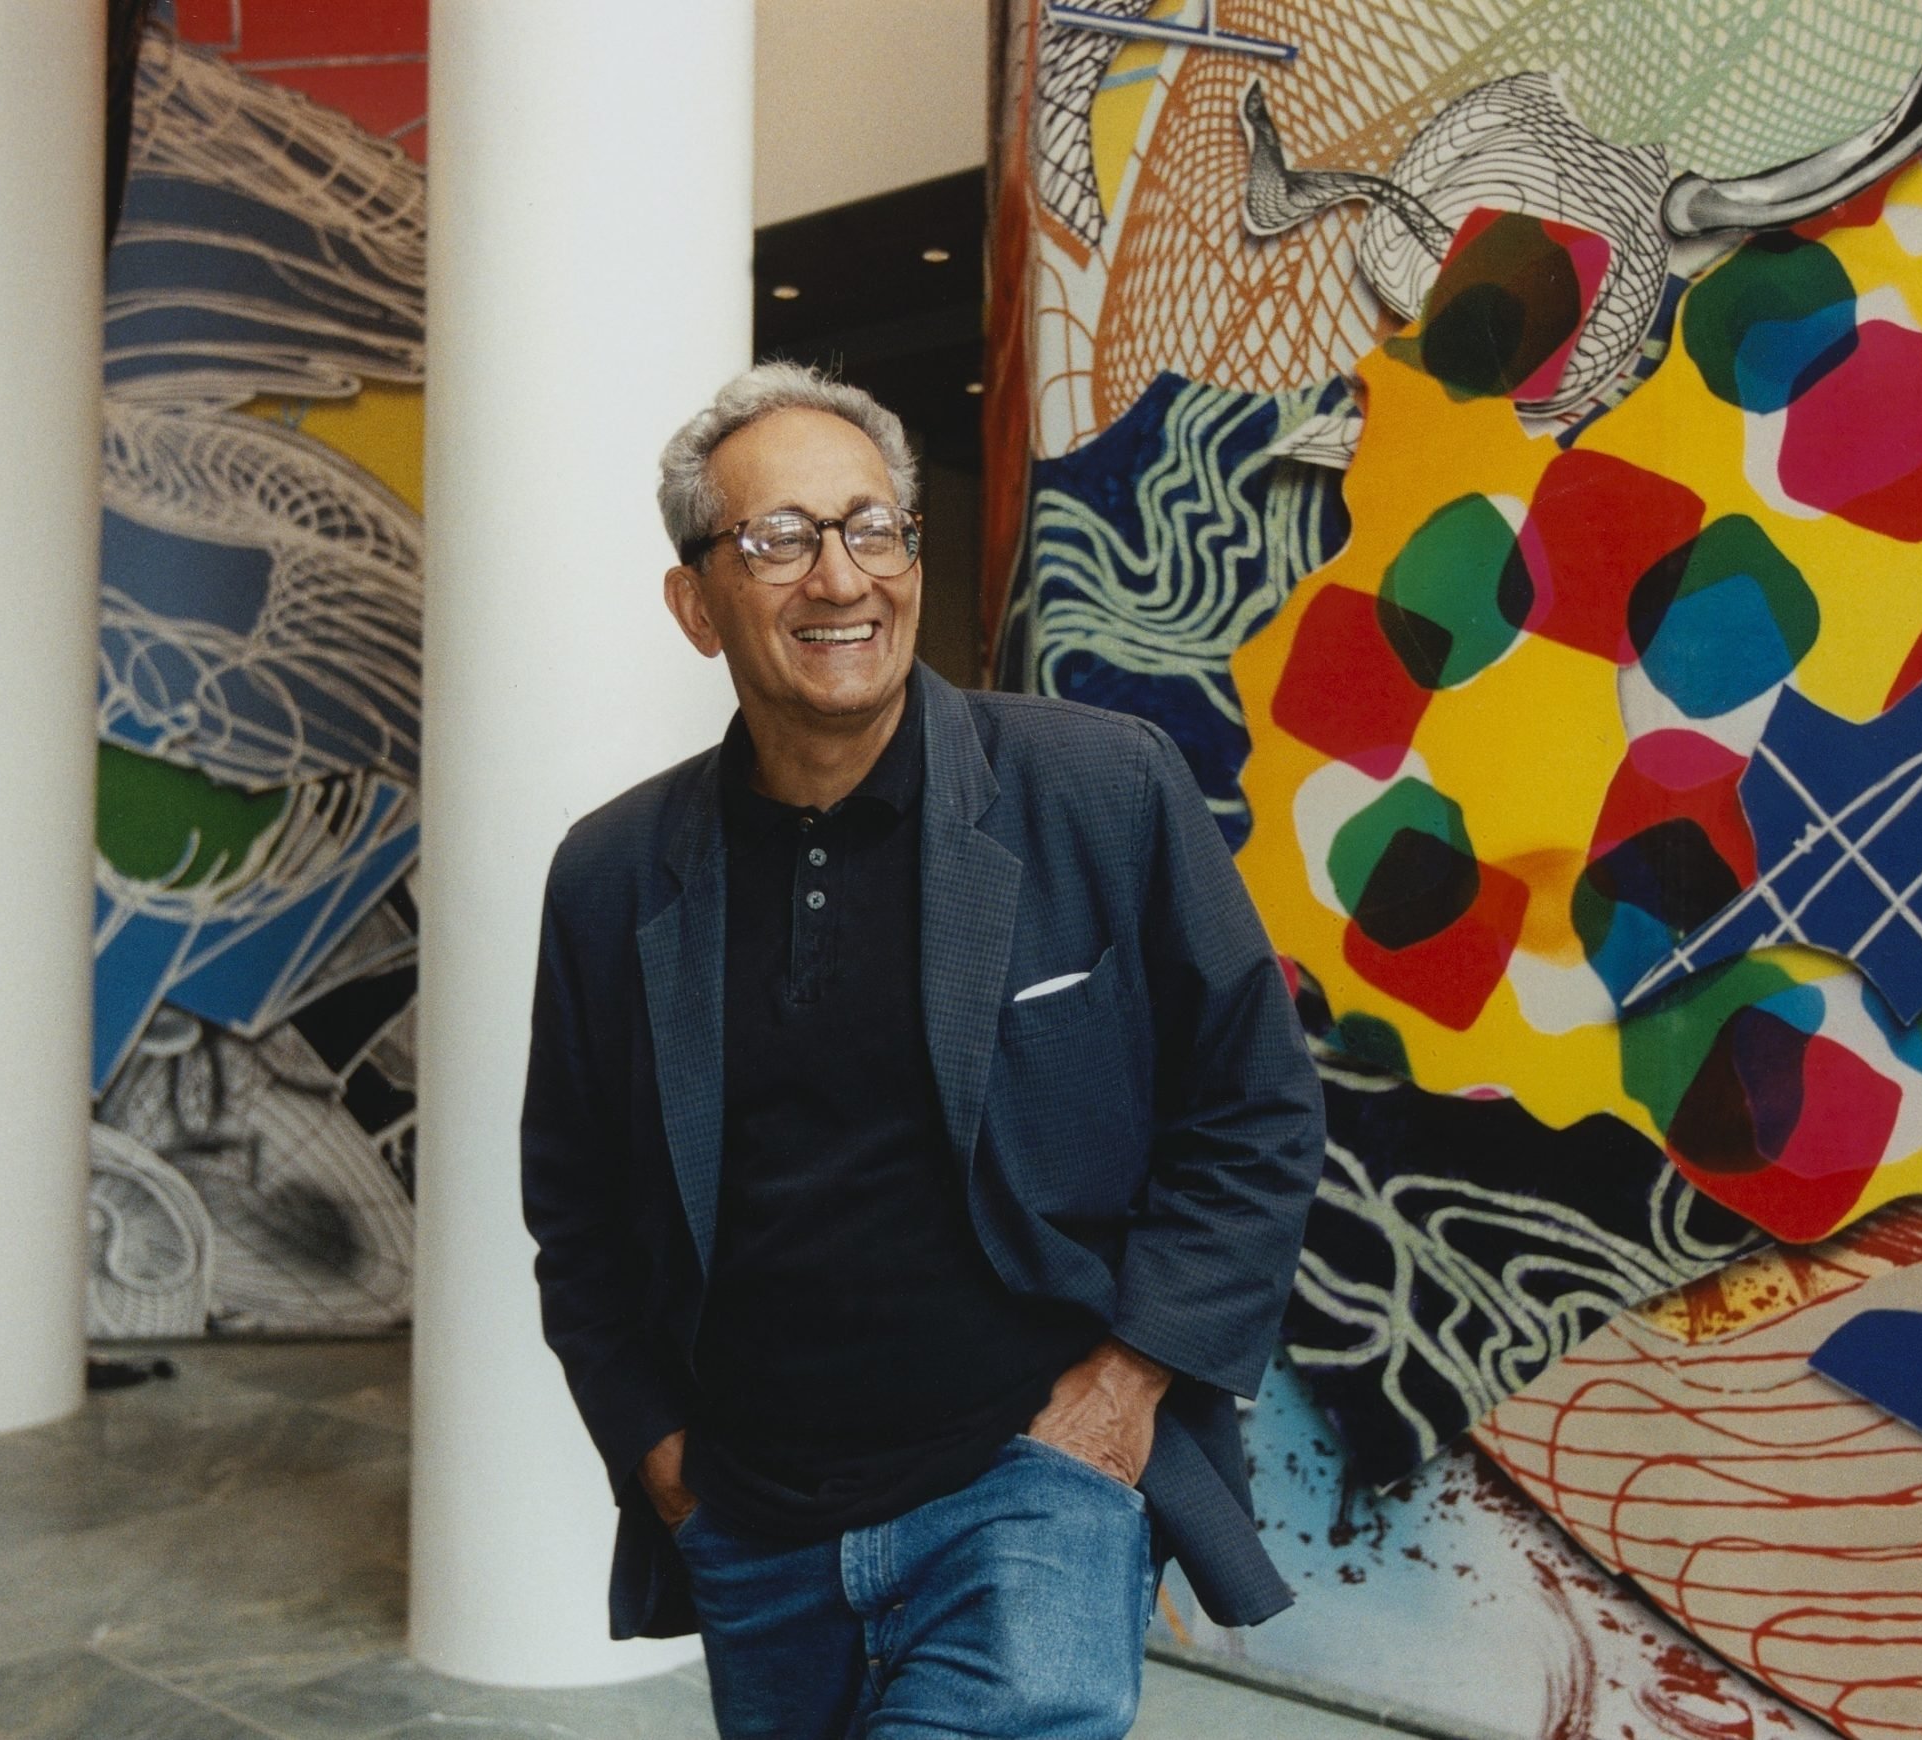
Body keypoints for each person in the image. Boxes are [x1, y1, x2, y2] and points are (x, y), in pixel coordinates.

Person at [519, 360, 1326, 1739]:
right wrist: (657, 1450)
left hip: (1028, 1482)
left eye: (872, 526)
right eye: (777, 541)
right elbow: (578, 1204)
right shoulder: (611, 876)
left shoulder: (1100, 790)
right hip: (753, 1518)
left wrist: (1130, 1382)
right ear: (695, 604)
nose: (840, 579)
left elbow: (1253, 1109)